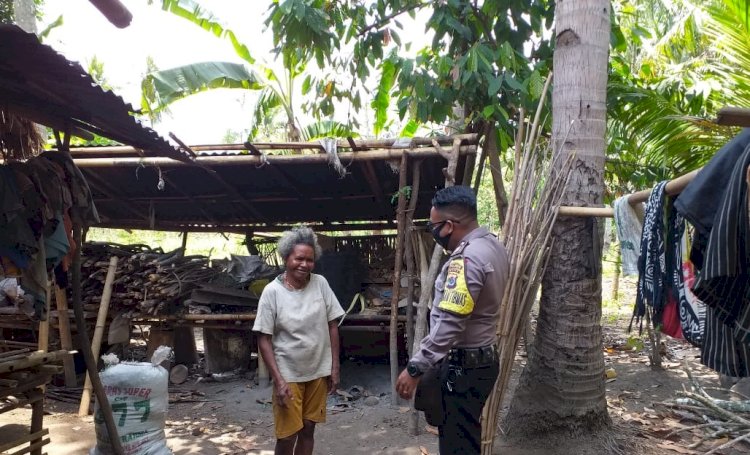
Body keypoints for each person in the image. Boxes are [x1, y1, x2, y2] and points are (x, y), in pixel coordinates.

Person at [396, 185, 510, 454]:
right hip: (482, 362)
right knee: (466, 436)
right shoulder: (493, 246)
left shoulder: (466, 259)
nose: (432, 231)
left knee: (457, 445)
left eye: (433, 225)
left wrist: (416, 367)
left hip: (464, 368)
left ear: (448, 226)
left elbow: (451, 323)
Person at [253, 226, 345, 455]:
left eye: (310, 260)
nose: (305, 264)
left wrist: (334, 367)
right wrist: (278, 380)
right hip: (288, 373)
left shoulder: (320, 283)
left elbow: (333, 325)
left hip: (317, 371)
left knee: (308, 429)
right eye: (299, 259)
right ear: (286, 258)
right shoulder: (272, 292)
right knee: (287, 435)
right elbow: (263, 338)